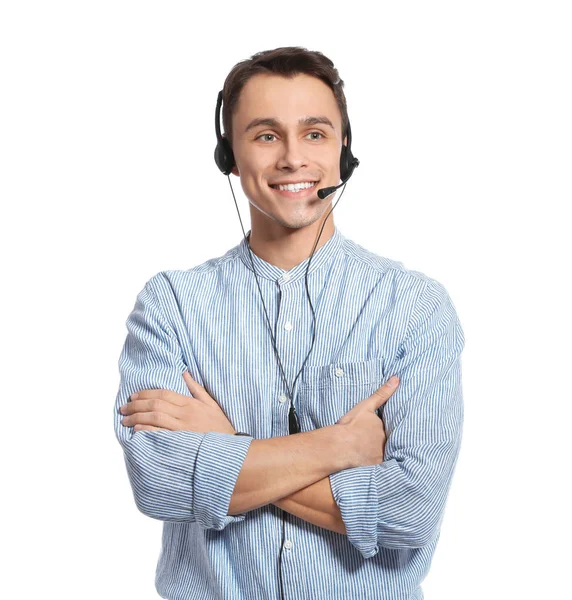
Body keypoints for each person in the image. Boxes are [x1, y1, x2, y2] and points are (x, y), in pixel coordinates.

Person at [113, 46, 465, 600]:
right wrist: (341, 447)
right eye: (266, 135)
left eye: (315, 134)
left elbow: (410, 514)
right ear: (228, 154)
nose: (293, 158)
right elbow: (160, 483)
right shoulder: (171, 305)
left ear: (344, 152)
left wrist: (224, 446)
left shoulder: (414, 306)